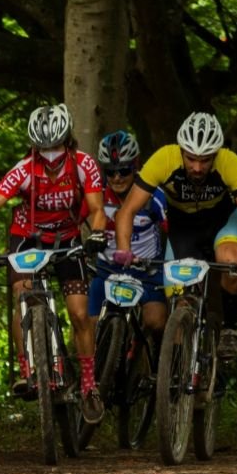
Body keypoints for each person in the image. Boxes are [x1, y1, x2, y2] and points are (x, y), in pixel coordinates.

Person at [113, 112, 237, 362]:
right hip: (183, 229)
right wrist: (124, 250)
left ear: (216, 155)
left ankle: (229, 329)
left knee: (231, 261)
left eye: (205, 160)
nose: (198, 167)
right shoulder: (164, 159)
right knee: (177, 301)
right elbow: (127, 211)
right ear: (181, 151)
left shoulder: (230, 162)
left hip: (222, 223)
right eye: (191, 159)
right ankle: (177, 375)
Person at [0, 104, 108, 422]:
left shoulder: (84, 164)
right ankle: (29, 368)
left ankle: (88, 384)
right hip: (27, 238)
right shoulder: (24, 169)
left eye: (55, 146)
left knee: (80, 312)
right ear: (35, 147)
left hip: (67, 239)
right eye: (43, 148)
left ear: (67, 141)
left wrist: (96, 234)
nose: (50, 154)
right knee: (22, 294)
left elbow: (96, 207)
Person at [88, 131, 169, 369]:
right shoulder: (97, 194)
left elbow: (174, 231)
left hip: (146, 272)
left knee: (156, 322)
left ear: (136, 166)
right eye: (110, 171)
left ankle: (160, 368)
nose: (117, 177)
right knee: (89, 326)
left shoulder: (153, 196)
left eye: (124, 170)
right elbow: (75, 218)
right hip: (107, 269)